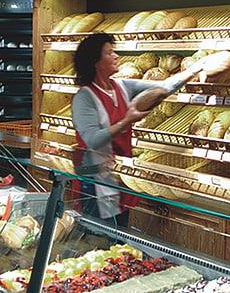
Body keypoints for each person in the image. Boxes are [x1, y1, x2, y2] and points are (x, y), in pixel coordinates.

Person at [71, 33, 203, 224]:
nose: (116, 56)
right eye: (109, 52)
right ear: (95, 62)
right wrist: (126, 121)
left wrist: (194, 70)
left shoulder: (123, 86)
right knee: (98, 236)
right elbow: (93, 140)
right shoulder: (85, 97)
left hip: (120, 176)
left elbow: (164, 87)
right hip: (95, 180)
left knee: (118, 235)